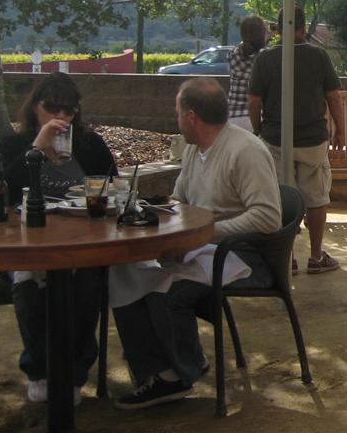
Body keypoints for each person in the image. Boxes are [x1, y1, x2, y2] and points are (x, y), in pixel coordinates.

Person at [113, 78, 280, 409]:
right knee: (125, 275)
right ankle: (159, 370)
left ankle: (180, 373)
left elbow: (268, 217)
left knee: (165, 290)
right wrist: (159, 225)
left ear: (191, 117)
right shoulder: (192, 150)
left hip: (245, 255)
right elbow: (180, 200)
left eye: (177, 112)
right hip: (203, 248)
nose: (175, 119)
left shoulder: (245, 151)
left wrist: (203, 234)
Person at [0, 72, 118, 405]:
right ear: (35, 107)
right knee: (29, 286)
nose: (61, 116)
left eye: (69, 110)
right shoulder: (15, 145)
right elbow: (3, 190)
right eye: (53, 108)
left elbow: (113, 187)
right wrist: (38, 147)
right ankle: (39, 370)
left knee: (87, 287)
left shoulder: (90, 144)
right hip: (28, 243)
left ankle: (74, 374)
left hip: (83, 243)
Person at [248, 4, 344, 274]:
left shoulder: (265, 59)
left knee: (281, 198)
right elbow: (334, 97)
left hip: (275, 138)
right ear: (303, 27)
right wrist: (341, 129)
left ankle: (286, 258)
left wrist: (258, 129)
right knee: (316, 198)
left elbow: (254, 101)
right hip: (313, 139)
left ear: (278, 28)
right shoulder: (319, 56)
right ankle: (316, 256)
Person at [227, 15, 268, 131]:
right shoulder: (265, 57)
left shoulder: (233, 54)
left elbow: (245, 47)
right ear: (262, 34)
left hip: (232, 118)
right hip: (257, 118)